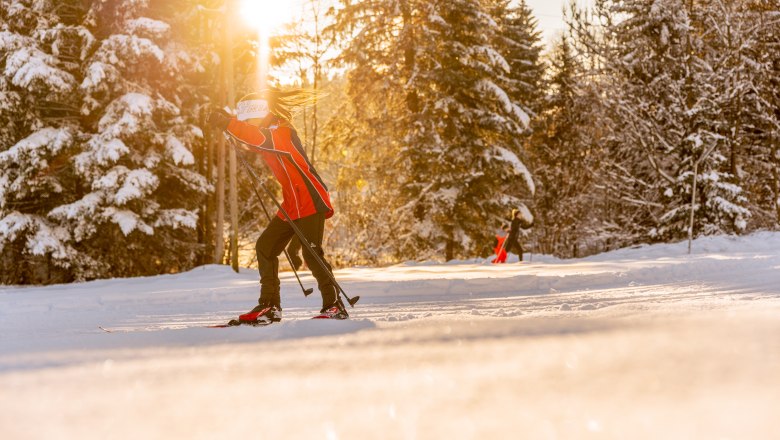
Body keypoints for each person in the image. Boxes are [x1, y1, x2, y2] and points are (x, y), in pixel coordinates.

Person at [208, 88, 345, 324]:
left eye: (249, 118)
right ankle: (270, 306)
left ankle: (334, 305)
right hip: (293, 203)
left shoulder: (282, 132)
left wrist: (229, 124)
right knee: (266, 246)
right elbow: (253, 141)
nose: (249, 123)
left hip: (311, 198)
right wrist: (227, 123)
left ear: (260, 112)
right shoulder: (268, 133)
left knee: (311, 253)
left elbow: (258, 139)